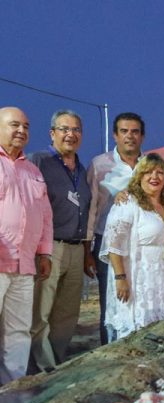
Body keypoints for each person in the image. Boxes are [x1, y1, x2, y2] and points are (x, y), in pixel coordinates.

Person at [28, 110, 92, 372]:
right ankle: (41, 368)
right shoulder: (39, 161)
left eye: (76, 130)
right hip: (49, 247)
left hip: (76, 249)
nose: (70, 134)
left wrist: (87, 252)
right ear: (52, 133)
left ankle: (56, 361)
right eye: (64, 129)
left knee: (67, 313)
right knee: (41, 311)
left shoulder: (82, 169)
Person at [99, 153, 164, 340]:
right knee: (137, 336)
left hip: (163, 282)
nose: (154, 177)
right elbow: (113, 243)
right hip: (138, 282)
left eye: (160, 172)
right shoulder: (128, 203)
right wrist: (121, 278)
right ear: (139, 176)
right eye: (148, 172)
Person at [0, 106, 53, 384]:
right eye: (14, 125)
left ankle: (12, 389)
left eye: (26, 126)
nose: (21, 130)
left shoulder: (33, 171)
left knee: (19, 330)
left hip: (25, 264)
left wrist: (44, 253)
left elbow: (45, 216)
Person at [87, 112, 145, 344]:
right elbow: (91, 208)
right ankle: (109, 354)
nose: (130, 136)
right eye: (124, 131)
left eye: (135, 132)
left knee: (139, 301)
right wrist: (87, 251)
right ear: (115, 135)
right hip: (108, 245)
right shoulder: (99, 165)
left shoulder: (150, 165)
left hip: (141, 246)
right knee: (111, 302)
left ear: (142, 136)